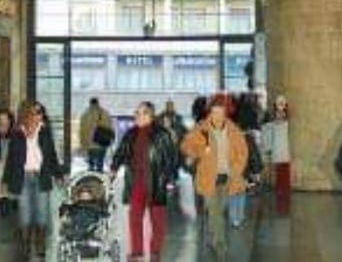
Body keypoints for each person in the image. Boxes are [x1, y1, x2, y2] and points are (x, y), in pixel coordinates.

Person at [181, 95, 249, 258]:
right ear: (210, 112)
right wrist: (200, 151)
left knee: (219, 211)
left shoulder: (234, 130)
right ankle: (220, 246)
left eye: (221, 112)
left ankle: (213, 237)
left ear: (226, 112)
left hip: (228, 179)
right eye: (214, 111)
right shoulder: (201, 128)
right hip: (208, 179)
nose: (217, 115)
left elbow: (243, 153)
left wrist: (236, 169)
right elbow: (186, 145)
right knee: (215, 212)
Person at [110, 101, 177, 262]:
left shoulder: (162, 134)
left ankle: (155, 252)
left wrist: (169, 179)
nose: (137, 116)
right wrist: (114, 168)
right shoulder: (131, 133)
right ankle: (137, 252)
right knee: (134, 218)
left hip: (156, 182)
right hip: (136, 182)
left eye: (141, 113)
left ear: (150, 115)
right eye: (136, 113)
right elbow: (121, 152)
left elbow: (171, 158)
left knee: (158, 222)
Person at [3, 101, 64, 257]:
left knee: (42, 214)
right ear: (27, 114)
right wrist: (5, 181)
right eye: (36, 112)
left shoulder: (45, 132)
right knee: (25, 214)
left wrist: (58, 175)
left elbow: (51, 156)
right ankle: (25, 247)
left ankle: (40, 245)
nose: (39, 116)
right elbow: (11, 159)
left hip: (41, 177)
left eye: (40, 113)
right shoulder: (17, 133)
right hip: (22, 178)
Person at [262, 94, 292, 202]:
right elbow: (268, 135)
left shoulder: (285, 123)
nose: (280, 115)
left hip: (284, 151)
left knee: (284, 171)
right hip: (277, 151)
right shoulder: (272, 125)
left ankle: (284, 190)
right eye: (278, 113)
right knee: (279, 172)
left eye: (282, 113)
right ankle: (280, 190)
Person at [79, 97, 113, 173]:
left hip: (90, 145)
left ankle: (92, 181)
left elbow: (82, 131)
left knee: (91, 165)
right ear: (98, 103)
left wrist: (83, 144)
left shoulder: (84, 115)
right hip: (102, 143)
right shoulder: (105, 113)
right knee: (100, 165)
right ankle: (99, 181)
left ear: (90, 103)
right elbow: (110, 128)